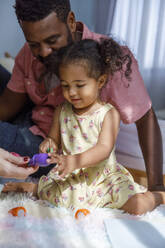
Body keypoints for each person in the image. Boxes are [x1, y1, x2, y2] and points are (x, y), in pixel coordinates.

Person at [0, 0, 163, 190]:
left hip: (59, 153)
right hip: (31, 120)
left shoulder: (110, 60)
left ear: (70, 21)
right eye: (34, 44)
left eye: (52, 41)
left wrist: (157, 186)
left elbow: (146, 118)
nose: (43, 52)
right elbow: (8, 105)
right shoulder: (29, 54)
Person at [3, 39, 165, 215]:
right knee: (60, 196)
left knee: (137, 206)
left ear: (100, 81)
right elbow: (53, 139)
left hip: (103, 179)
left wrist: (75, 161)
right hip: (73, 176)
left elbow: (104, 149)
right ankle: (34, 188)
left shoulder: (109, 114)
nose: (71, 92)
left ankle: (158, 196)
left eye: (79, 85)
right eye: (65, 85)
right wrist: (49, 144)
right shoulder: (62, 110)